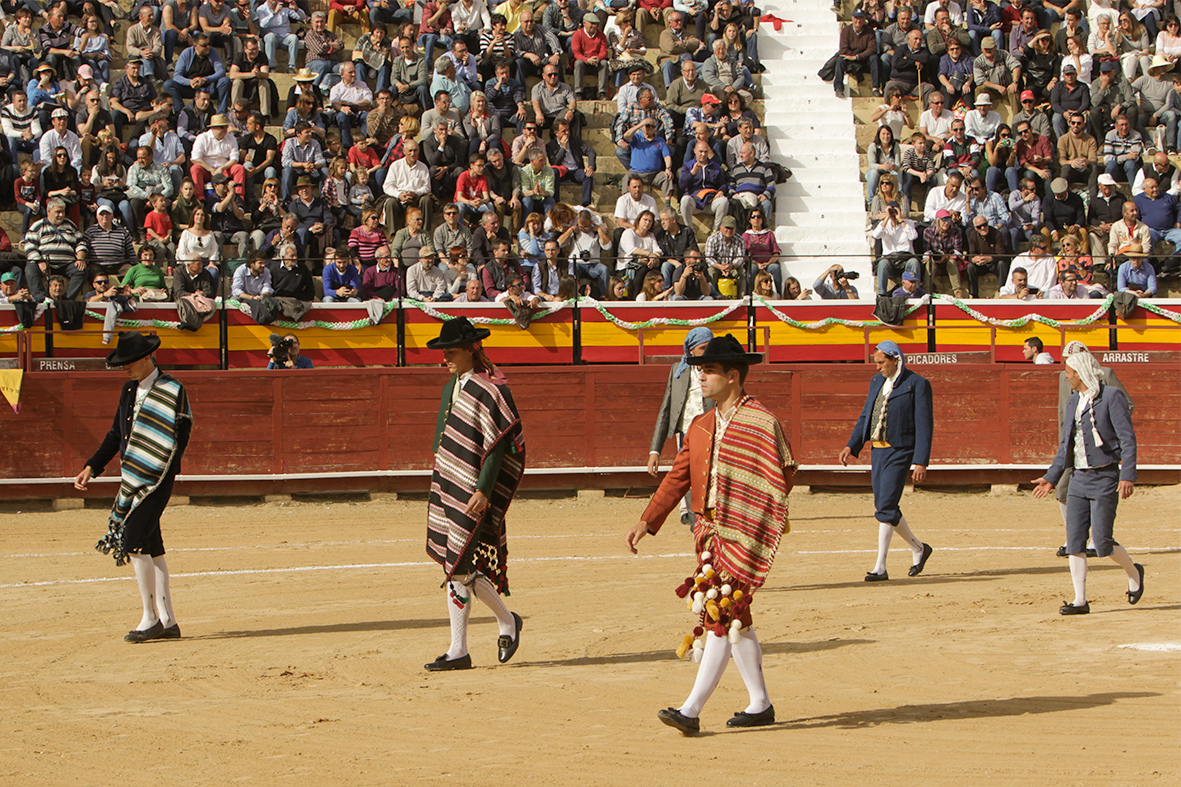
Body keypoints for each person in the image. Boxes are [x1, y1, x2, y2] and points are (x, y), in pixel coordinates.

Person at [627, 334, 795, 735]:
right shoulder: (701, 426)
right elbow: (678, 476)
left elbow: (782, 476)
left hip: (745, 533)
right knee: (738, 619)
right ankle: (760, 703)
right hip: (709, 535)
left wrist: (751, 512)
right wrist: (648, 519)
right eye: (699, 370)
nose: (699, 377)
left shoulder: (761, 421)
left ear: (732, 376)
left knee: (720, 614)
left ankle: (691, 709)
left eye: (709, 371)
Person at [74, 331, 193, 642]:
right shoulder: (129, 390)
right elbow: (116, 434)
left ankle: (150, 617)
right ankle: (168, 622)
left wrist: (160, 472)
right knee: (152, 547)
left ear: (144, 358)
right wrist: (92, 466)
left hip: (158, 479)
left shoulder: (172, 389)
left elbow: (180, 438)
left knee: (134, 540)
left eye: (127, 363)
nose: (123, 368)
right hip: (132, 477)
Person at [424, 316, 525, 671]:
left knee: (459, 566)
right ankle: (496, 627)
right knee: (460, 566)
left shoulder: (490, 390)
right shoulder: (450, 387)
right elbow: (444, 441)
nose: (445, 358)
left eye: (450, 352)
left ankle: (467, 645)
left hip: (472, 488)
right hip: (450, 484)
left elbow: (498, 447)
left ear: (471, 349)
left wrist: (484, 489)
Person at [1031, 349, 1143, 615]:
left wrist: (1127, 475)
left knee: (1102, 542)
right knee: (1075, 540)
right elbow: (1065, 445)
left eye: (1069, 374)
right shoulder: (1073, 401)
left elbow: (1127, 439)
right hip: (1079, 477)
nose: (1066, 378)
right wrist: (1051, 478)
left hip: (1105, 476)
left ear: (1080, 374)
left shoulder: (1111, 397)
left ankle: (1134, 572)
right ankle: (1080, 600)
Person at [838, 340, 934, 582]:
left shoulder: (917, 384)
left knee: (885, 508)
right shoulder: (876, 382)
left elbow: (924, 425)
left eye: (881, 362)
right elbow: (866, 415)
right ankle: (919, 548)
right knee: (885, 506)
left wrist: (921, 461)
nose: (877, 367)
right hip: (877, 451)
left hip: (900, 451)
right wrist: (852, 444)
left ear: (895, 360)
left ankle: (880, 567)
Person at [647, 327, 715, 526]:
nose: (706, 352)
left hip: (714, 432)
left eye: (709, 347)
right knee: (688, 477)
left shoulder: (719, 370)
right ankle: (696, 524)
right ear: (691, 350)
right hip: (687, 434)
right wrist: (655, 450)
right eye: (702, 348)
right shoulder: (678, 370)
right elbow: (666, 410)